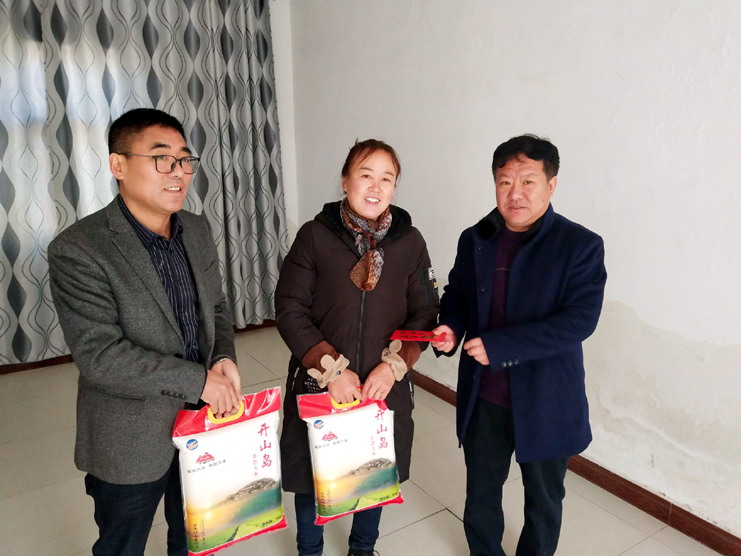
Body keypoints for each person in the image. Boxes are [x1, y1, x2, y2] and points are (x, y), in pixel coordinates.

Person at [48, 108, 242, 556]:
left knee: (195, 534)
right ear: (118, 165)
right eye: (161, 158)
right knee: (123, 544)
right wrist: (200, 381)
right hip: (129, 435)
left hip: (203, 421)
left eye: (184, 159)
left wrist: (223, 357)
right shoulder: (79, 249)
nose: (178, 172)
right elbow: (101, 356)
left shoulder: (197, 228)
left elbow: (215, 307)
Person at [432, 135, 607, 556]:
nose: (515, 193)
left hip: (547, 397)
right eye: (505, 181)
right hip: (485, 394)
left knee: (543, 501)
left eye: (528, 181)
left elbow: (578, 321)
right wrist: (450, 327)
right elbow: (458, 294)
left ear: (551, 185)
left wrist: (500, 345)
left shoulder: (580, 245)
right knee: (481, 492)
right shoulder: (476, 237)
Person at [276, 139, 439, 556]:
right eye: (366, 175)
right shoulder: (315, 236)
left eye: (387, 178)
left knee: (374, 471)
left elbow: (425, 313)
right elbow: (290, 308)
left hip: (382, 386)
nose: (375, 186)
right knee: (312, 472)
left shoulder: (410, 242)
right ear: (346, 181)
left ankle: (363, 549)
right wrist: (331, 369)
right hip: (319, 381)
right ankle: (310, 550)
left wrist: (393, 366)